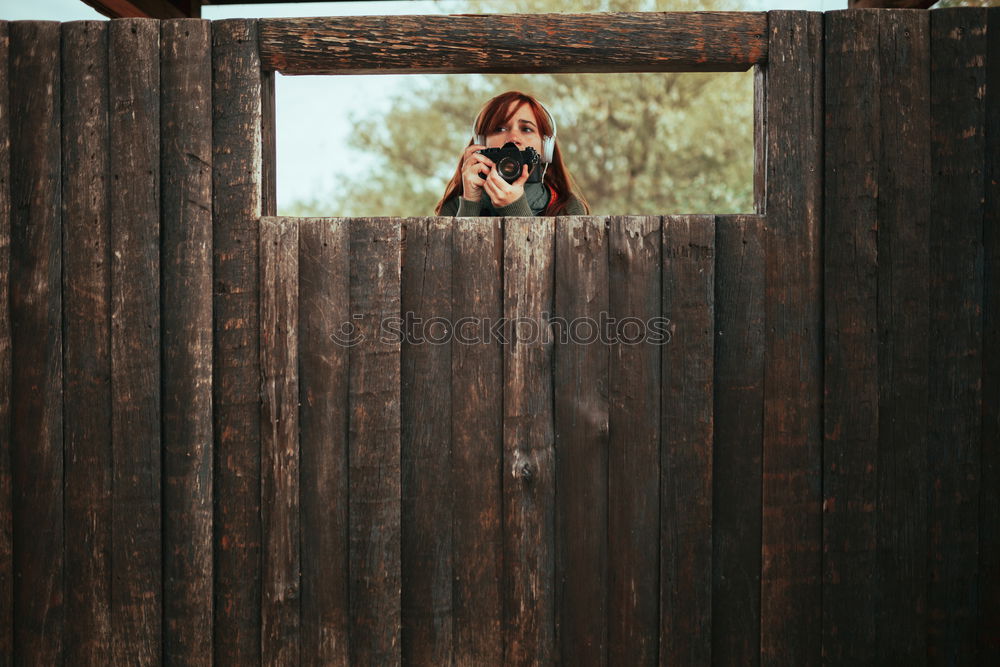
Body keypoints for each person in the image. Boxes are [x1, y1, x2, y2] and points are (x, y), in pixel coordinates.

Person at [435, 91, 590, 217]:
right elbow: (455, 256)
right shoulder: (454, 207)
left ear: (546, 148)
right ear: (481, 143)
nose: (513, 138)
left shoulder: (566, 206)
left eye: (526, 129)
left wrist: (514, 208)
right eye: (500, 129)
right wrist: (470, 204)